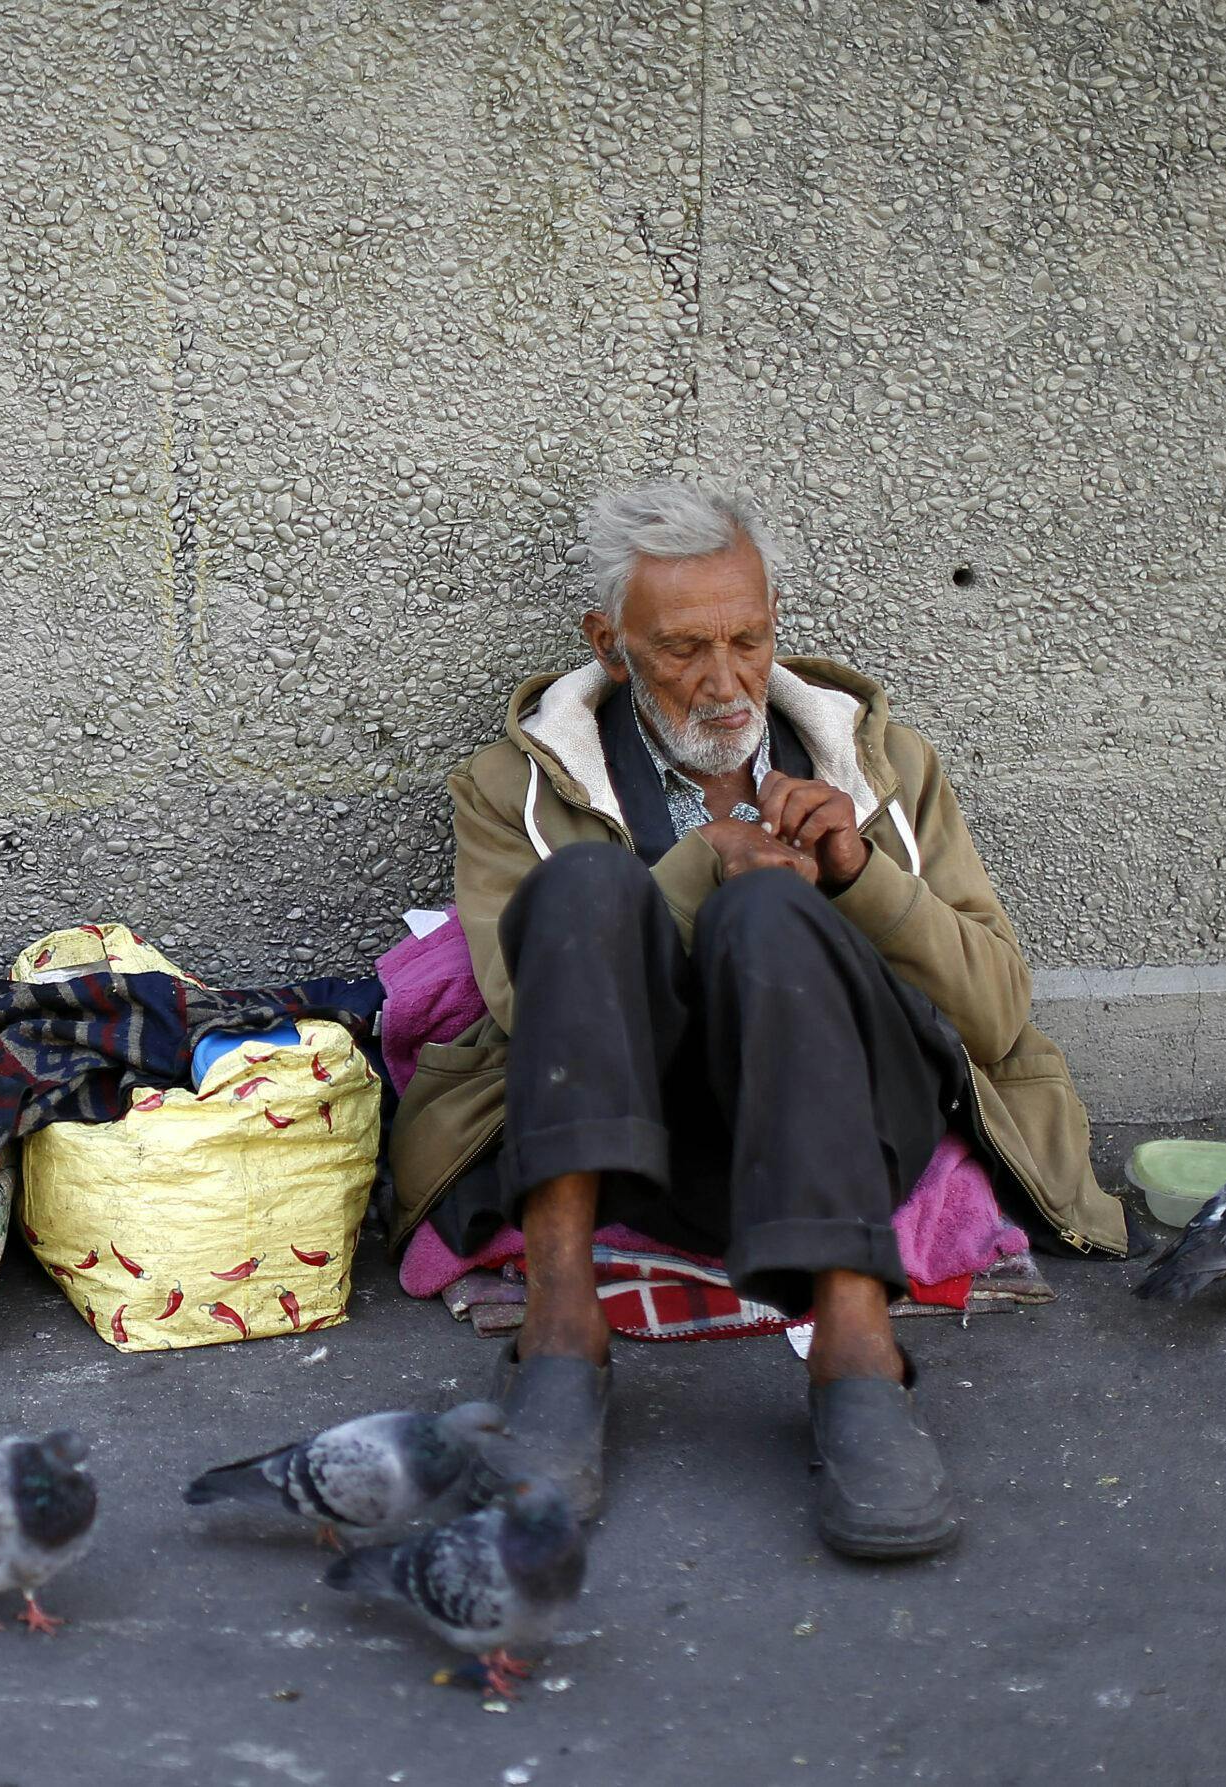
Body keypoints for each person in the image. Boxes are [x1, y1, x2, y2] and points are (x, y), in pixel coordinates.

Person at [388, 479, 1127, 1559]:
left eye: (749, 637)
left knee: (773, 909)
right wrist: (695, 864)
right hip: (649, 1141)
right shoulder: (517, 784)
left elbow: (997, 1010)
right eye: (684, 648)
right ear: (610, 641)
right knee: (588, 893)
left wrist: (858, 875)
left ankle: (855, 1351)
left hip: (853, 1129)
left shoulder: (882, 761)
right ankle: (560, 1330)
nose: (725, 679)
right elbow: (518, 1002)